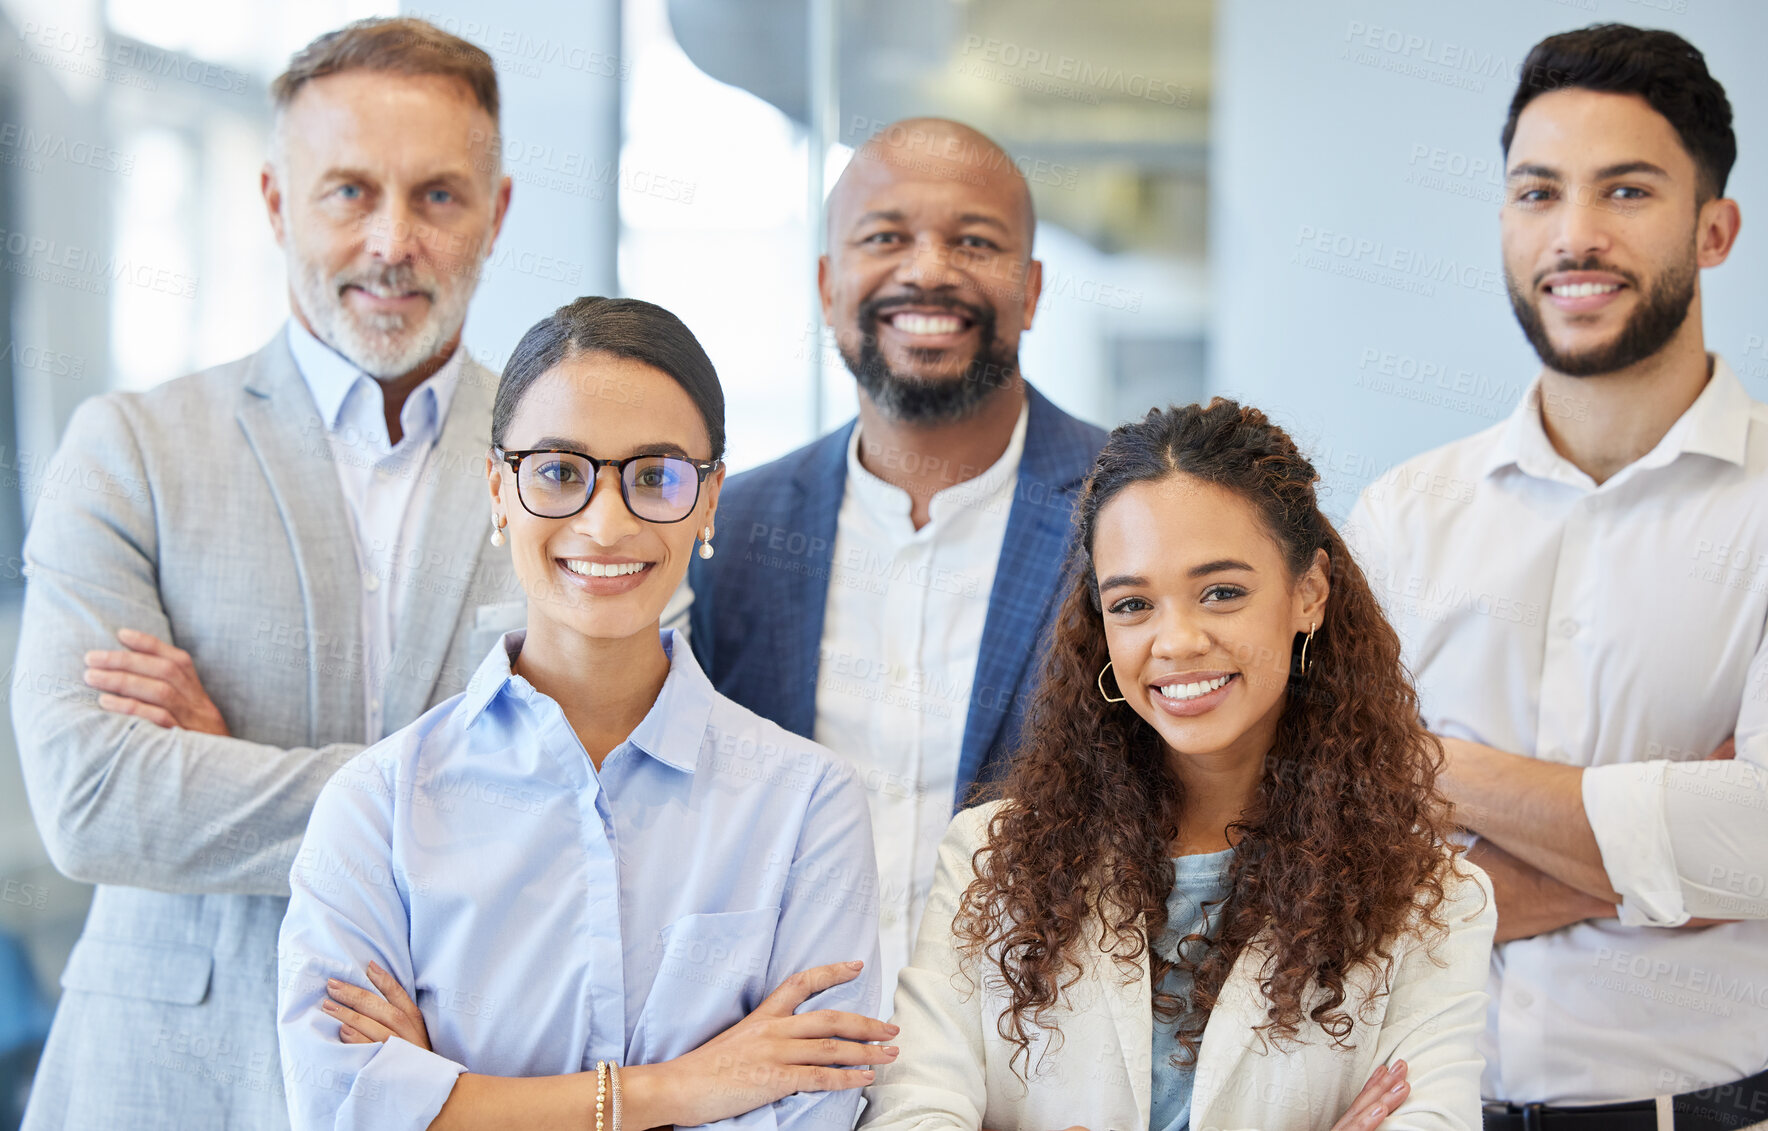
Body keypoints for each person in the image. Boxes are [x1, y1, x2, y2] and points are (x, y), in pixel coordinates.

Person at [11, 19, 528, 1129]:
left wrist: (225, 765)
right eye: (349, 192)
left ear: (497, 212)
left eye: (438, 196)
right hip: (167, 1079)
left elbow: (595, 813)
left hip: (465, 1078)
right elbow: (94, 801)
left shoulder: (575, 469)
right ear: (274, 202)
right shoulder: (131, 449)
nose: (393, 240)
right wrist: (465, 800)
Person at [275, 296, 887, 1131]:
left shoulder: (809, 807)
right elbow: (345, 1111)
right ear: (499, 489)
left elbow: (810, 1115)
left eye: (656, 477)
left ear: (709, 500)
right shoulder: (377, 806)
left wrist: (458, 1102)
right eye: (560, 472)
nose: (606, 524)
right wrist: (681, 1087)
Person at [1344, 24, 1768, 1130]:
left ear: (1712, 229)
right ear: (1503, 222)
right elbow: (1332, 861)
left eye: (1626, 192)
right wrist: (1665, 842)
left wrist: (1429, 763)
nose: (1574, 237)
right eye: (1538, 194)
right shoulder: (1400, 518)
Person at [863, 400, 1497, 1131]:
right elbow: (911, 1115)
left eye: (1221, 592)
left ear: (1309, 593)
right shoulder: (986, 858)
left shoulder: (1434, 901)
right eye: (1132, 603)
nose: (1177, 640)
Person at [688, 117, 1108, 1002]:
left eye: (974, 241)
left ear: (1031, 292)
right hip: (783, 1077)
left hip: (1037, 1077)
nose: (926, 270)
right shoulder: (729, 529)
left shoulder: (1131, 518)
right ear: (827, 284)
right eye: (885, 238)